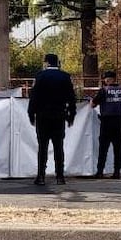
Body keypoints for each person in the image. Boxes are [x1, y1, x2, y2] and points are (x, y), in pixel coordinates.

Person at [28, 53, 77, 185]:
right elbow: (71, 97)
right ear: (57, 62)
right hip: (58, 115)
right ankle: (60, 176)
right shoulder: (65, 77)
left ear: (46, 63)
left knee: (43, 147)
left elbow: (34, 97)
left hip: (43, 116)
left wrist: (31, 113)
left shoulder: (40, 76)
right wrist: (71, 115)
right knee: (58, 146)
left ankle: (41, 176)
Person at [90, 71, 121, 179]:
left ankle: (100, 171)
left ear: (106, 80)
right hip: (120, 122)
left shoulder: (103, 90)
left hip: (107, 122)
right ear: (115, 79)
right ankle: (116, 172)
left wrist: (91, 100)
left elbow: (92, 105)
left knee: (103, 148)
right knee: (118, 149)